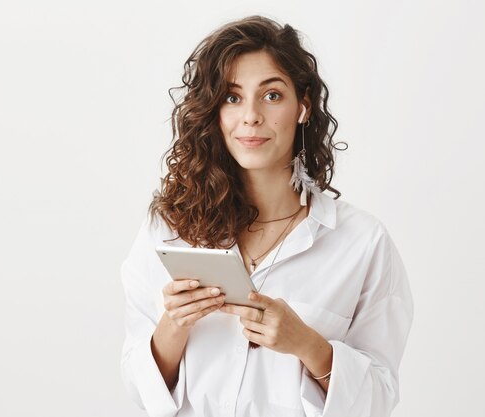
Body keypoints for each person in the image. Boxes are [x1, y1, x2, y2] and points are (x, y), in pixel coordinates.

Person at [120, 15, 413, 417]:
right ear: (214, 111)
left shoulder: (362, 243)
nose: (251, 116)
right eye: (232, 97)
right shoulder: (169, 230)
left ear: (303, 106)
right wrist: (174, 324)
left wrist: (309, 345)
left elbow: (379, 399)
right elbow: (139, 391)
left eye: (272, 95)